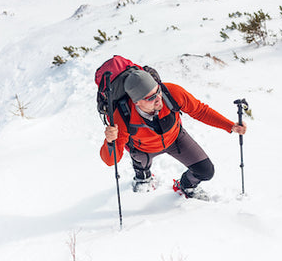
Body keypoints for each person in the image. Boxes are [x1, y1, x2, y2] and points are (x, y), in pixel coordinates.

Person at [100, 70, 247, 199]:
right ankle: (143, 177)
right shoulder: (123, 115)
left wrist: (230, 125)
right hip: (143, 149)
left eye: (157, 91)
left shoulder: (171, 93)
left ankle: (186, 185)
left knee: (206, 171)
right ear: (137, 102)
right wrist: (110, 141)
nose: (158, 98)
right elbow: (110, 160)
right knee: (142, 167)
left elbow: (200, 110)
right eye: (151, 98)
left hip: (175, 138)